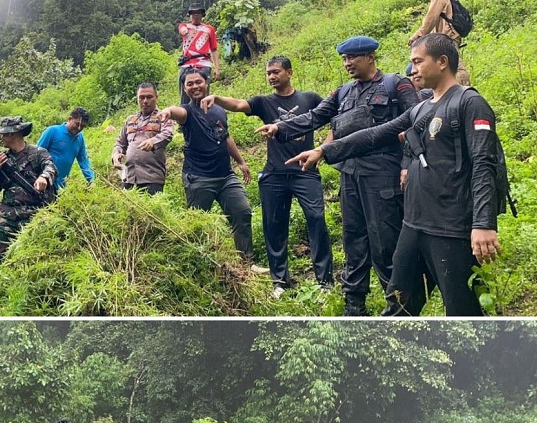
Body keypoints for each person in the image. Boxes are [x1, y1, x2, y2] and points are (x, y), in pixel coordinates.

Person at [287, 34, 503, 316]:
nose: (412, 69)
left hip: (450, 225)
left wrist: (483, 223)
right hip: (414, 224)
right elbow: (374, 135)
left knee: (461, 308)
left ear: (442, 62)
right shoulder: (420, 109)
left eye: (417, 62)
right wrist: (324, 151)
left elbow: (484, 165)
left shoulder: (469, 103)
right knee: (399, 299)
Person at [257, 36, 419, 315]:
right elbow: (314, 116)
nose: (347, 64)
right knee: (353, 239)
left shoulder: (396, 85)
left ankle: (399, 307)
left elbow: (416, 124)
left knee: (384, 241)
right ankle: (354, 305)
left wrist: (407, 163)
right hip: (350, 175)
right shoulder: (343, 92)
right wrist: (280, 128)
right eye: (344, 59)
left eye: (352, 58)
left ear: (370, 57)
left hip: (383, 176)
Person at [201, 55, 333, 298]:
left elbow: (335, 120)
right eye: (268, 73)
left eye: (276, 72)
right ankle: (280, 281)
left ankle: (325, 282)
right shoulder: (264, 102)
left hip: (306, 172)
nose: (272, 76)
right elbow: (240, 105)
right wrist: (217, 98)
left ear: (290, 72)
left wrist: (320, 151)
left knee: (317, 221)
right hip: (274, 175)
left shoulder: (310, 99)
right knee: (274, 227)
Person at [159, 70, 269, 273]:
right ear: (185, 88)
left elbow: (225, 137)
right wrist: (167, 111)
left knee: (242, 212)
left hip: (226, 175)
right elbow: (176, 112)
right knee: (198, 224)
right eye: (189, 84)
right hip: (199, 178)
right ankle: (200, 267)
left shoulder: (218, 110)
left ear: (207, 82)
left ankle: (245, 265)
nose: (195, 86)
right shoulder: (187, 112)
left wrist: (241, 162)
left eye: (198, 82)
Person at [0, 116, 57, 269]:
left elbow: (50, 167)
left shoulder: (37, 153)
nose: (1, 138)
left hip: (34, 214)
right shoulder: (1, 159)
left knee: (32, 259)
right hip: (7, 216)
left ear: (12, 134)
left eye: (3, 134)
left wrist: (44, 177)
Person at [112, 83, 174, 194]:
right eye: (141, 97)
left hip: (152, 178)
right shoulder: (130, 119)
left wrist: (153, 141)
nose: (145, 101)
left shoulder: (163, 116)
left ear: (156, 97)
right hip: (129, 177)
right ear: (137, 99)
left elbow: (168, 134)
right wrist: (116, 154)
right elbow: (120, 143)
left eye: (149, 97)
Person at [409, 0, 470, 85]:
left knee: (456, 67)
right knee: (447, 67)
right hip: (443, 39)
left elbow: (430, 20)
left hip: (447, 38)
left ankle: (462, 90)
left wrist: (418, 36)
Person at [36, 108, 94, 190]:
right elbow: (36, 153)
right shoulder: (52, 131)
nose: (79, 128)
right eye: (77, 124)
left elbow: (83, 160)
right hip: (44, 181)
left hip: (60, 186)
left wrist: (91, 180)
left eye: (83, 126)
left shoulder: (80, 138)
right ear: (70, 119)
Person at [178, 4, 220, 105]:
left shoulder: (209, 29)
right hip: (187, 64)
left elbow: (214, 49)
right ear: (189, 15)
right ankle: (184, 116)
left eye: (197, 13)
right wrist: (184, 31)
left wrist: (217, 68)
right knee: (185, 96)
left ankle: (204, 116)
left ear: (202, 15)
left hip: (204, 64)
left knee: (203, 95)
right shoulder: (185, 26)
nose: (195, 15)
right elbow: (182, 30)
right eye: (192, 13)